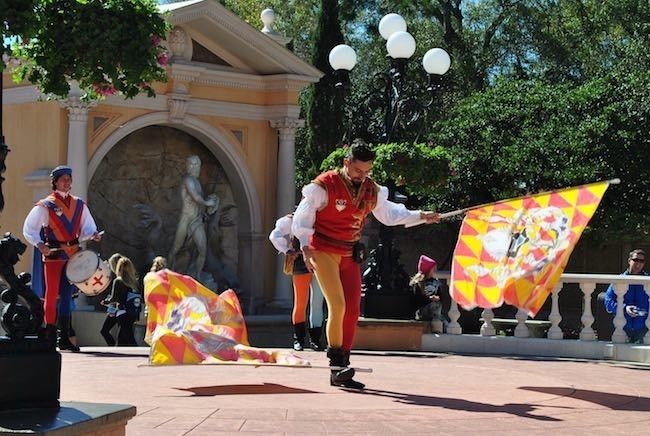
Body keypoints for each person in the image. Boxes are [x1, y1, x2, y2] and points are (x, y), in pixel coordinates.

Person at [292, 139, 440, 389]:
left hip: (349, 253)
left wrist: (420, 216)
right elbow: (302, 219)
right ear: (346, 163)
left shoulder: (372, 190)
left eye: (367, 171)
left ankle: (343, 366)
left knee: (351, 309)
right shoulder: (323, 185)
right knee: (336, 305)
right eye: (358, 170)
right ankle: (336, 362)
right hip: (323, 250)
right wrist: (305, 247)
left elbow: (390, 214)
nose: (363, 175)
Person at [23, 165, 101, 349]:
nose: (67, 182)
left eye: (69, 179)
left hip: (72, 256)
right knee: (51, 294)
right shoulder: (45, 205)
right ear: (55, 182)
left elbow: (87, 226)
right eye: (63, 179)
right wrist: (39, 244)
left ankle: (64, 336)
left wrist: (93, 234)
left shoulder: (79, 204)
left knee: (67, 295)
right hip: (54, 255)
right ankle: (50, 333)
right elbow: (29, 228)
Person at [269, 213, 326, 351]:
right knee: (300, 302)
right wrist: (287, 250)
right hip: (301, 262)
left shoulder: (323, 219)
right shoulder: (292, 219)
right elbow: (274, 236)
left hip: (320, 261)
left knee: (317, 302)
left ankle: (315, 340)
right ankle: (299, 339)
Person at [168, 155, 219, 278]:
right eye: (192, 164)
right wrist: (207, 202)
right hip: (186, 219)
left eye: (197, 164)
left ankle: (197, 276)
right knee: (176, 248)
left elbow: (199, 202)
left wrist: (209, 205)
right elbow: (196, 197)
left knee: (202, 249)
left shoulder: (196, 181)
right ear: (187, 166)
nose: (195, 167)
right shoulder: (188, 180)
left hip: (196, 220)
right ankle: (168, 272)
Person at [604, 249, 648, 343]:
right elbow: (608, 301)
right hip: (622, 327)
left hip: (643, 328)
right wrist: (624, 308)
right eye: (635, 260)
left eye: (641, 261)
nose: (638, 263)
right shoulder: (619, 280)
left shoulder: (648, 280)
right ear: (629, 261)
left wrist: (644, 312)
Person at [100, 253, 140, 346]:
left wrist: (105, 302)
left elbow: (115, 298)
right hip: (132, 312)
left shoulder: (118, 281)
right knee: (126, 337)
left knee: (126, 339)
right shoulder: (133, 281)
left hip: (122, 312)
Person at [409, 255, 445, 333]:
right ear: (428, 270)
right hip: (421, 311)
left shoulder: (436, 282)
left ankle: (439, 327)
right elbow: (416, 300)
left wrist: (437, 297)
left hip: (434, 312)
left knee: (441, 319)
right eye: (433, 268)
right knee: (434, 308)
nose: (436, 270)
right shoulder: (418, 283)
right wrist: (429, 298)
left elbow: (441, 297)